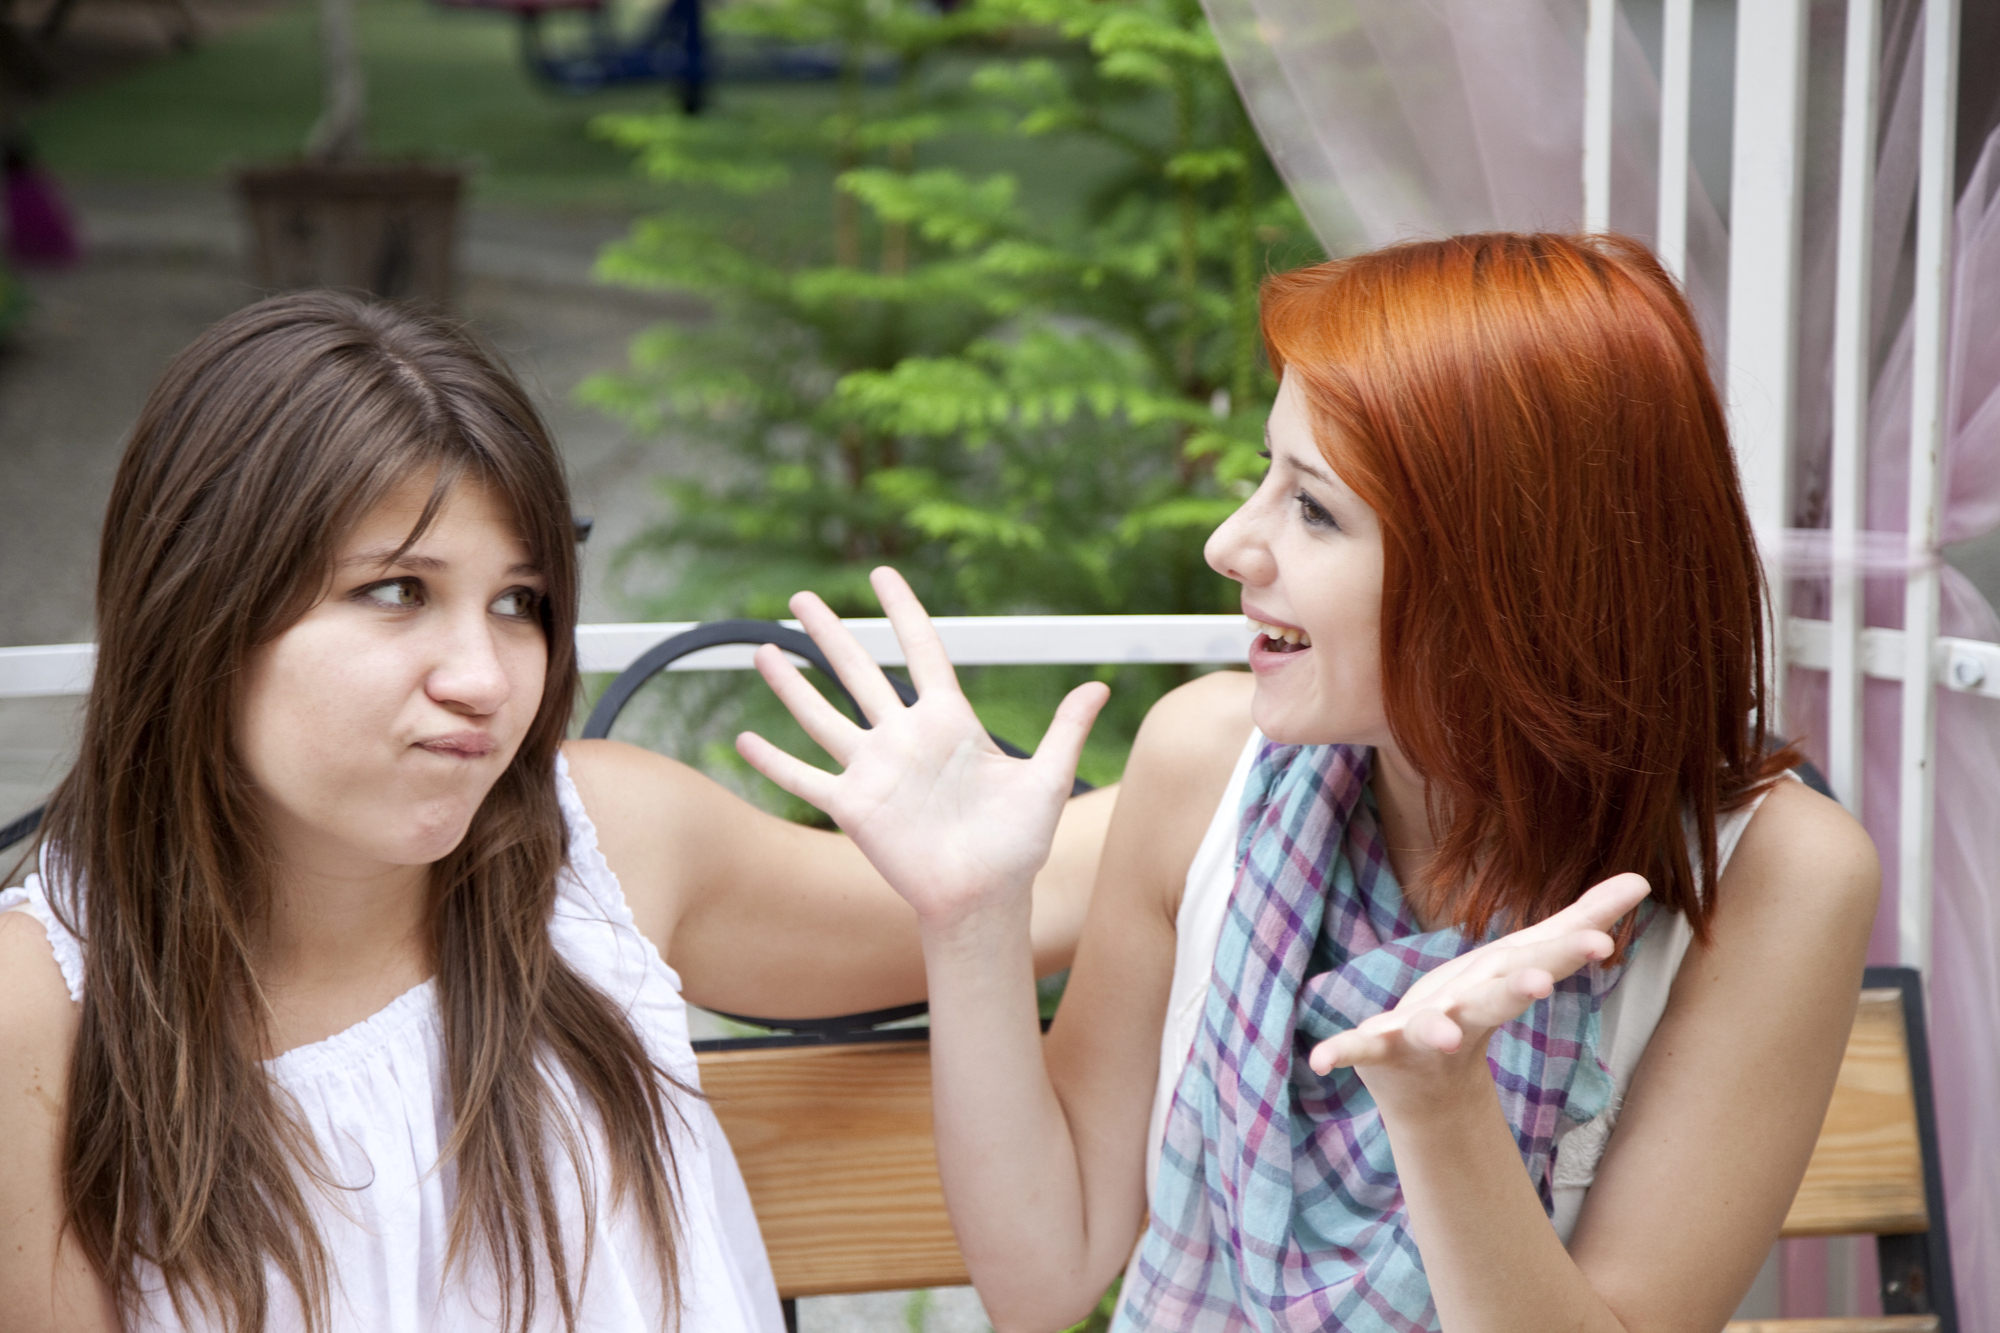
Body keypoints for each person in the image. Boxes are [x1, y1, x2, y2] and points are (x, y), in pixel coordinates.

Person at [739, 233, 1882, 1332]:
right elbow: (1044, 1278)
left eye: (1313, 507)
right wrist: (972, 915)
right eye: (1264, 478)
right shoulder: (1202, 764)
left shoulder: (1776, 876)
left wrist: (1438, 1107)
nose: (1232, 545)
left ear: (1511, 576)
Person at [0, 291, 1114, 1333]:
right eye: (398, 591)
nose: (483, 675)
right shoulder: (39, 1011)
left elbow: (1069, 869)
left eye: (519, 602)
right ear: (200, 603)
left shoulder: (602, 853)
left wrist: (1268, 700)